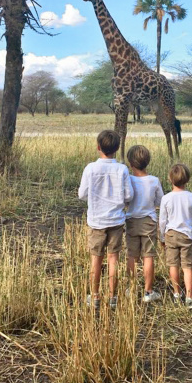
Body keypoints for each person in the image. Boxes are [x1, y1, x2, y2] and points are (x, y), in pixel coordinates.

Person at [78, 130, 134, 309]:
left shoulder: (90, 168)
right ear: (117, 149)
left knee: (96, 259)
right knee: (113, 258)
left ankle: (94, 296)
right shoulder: (122, 169)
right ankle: (112, 297)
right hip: (116, 221)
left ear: (98, 147)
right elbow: (129, 195)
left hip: (96, 222)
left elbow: (82, 194)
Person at [125, 145, 164, 303]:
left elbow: (125, 199)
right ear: (147, 161)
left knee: (132, 255)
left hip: (131, 221)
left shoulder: (128, 179)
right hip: (149, 221)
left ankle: (131, 288)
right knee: (148, 256)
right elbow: (160, 201)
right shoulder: (154, 181)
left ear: (130, 163)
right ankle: (148, 291)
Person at [159, 163, 192, 307]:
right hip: (187, 236)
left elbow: (162, 220)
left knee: (173, 265)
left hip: (170, 235)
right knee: (187, 266)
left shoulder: (166, 198)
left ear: (170, 179)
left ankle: (176, 293)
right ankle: (189, 297)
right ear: (187, 179)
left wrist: (162, 237)